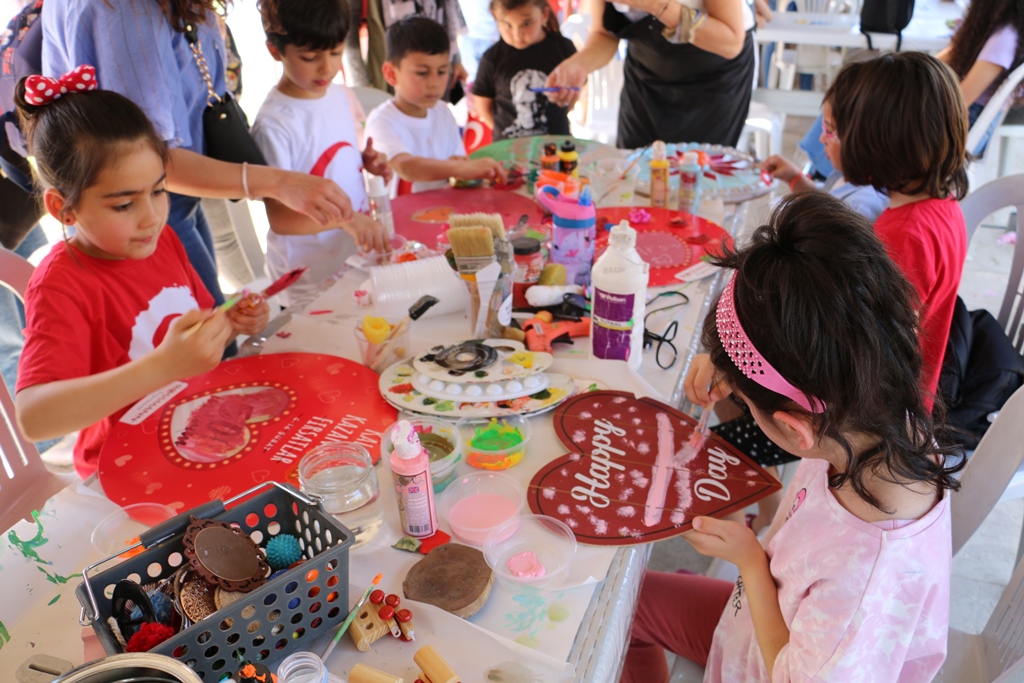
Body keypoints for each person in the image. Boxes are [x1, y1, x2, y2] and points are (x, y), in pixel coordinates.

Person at [623, 191, 961, 683]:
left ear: (793, 427)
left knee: (627, 605)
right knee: (636, 599)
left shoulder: (866, 575)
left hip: (769, 656)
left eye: (744, 402)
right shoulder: (870, 410)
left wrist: (750, 561)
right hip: (760, 615)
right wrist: (732, 364)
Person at [12, 69, 270, 480]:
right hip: (130, 470)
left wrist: (231, 323)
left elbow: (194, 328)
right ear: (64, 208)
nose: (151, 218)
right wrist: (161, 367)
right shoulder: (61, 283)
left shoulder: (162, 239)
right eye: (123, 205)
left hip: (204, 431)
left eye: (158, 191)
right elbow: (34, 418)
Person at [42, 0, 355, 308]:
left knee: (212, 314)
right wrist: (278, 183)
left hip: (178, 196)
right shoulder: (123, 11)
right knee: (201, 330)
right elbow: (151, 157)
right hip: (160, 203)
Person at [252, 0, 391, 307]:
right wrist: (348, 220)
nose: (327, 67)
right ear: (275, 51)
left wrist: (365, 162)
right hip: (308, 277)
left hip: (353, 259)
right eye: (310, 57)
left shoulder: (340, 94)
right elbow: (282, 220)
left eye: (336, 52)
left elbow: (335, 154)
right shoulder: (275, 124)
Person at [544, 0, 757, 149]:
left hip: (713, 80)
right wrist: (578, 66)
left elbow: (731, 42)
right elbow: (605, 33)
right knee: (635, 176)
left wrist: (657, 6)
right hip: (645, 78)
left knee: (698, 183)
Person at [365, 16, 505, 194]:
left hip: (445, 211)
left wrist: (467, 170)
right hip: (401, 217)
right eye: (422, 73)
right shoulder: (382, 121)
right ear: (391, 74)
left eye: (442, 71)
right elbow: (405, 167)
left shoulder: (443, 112)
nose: (434, 83)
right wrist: (459, 168)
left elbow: (457, 166)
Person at [759, 97, 887, 223]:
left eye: (829, 131)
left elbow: (825, 226)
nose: (821, 139)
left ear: (861, 138)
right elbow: (821, 200)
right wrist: (794, 177)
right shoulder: (843, 173)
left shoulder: (861, 208)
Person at [471, 0, 577, 140]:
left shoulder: (564, 49)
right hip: (508, 150)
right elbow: (483, 106)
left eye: (526, 23)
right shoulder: (492, 59)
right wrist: (502, 131)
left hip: (556, 144)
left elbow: (575, 92)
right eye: (507, 25)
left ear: (544, 14)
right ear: (496, 16)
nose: (517, 34)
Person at [939, 0, 1024, 152]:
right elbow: (948, 57)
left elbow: (961, 101)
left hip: (969, 121)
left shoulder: (1004, 38)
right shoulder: (987, 22)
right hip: (958, 109)